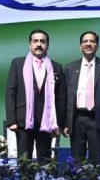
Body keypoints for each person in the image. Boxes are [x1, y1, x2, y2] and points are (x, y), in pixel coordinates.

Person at [5, 29, 66, 163]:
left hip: (47, 121)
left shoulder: (56, 67)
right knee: (24, 160)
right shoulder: (17, 63)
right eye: (35, 41)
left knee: (45, 161)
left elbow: (61, 98)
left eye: (42, 41)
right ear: (30, 45)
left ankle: (44, 178)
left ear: (47, 45)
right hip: (23, 121)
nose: (39, 44)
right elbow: (10, 92)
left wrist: (59, 124)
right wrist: (11, 120)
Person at [63, 31, 100, 165]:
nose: (88, 44)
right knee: (77, 161)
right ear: (80, 46)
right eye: (85, 41)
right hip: (77, 118)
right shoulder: (70, 68)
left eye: (92, 41)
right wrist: (66, 123)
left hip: (98, 119)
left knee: (97, 160)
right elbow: (66, 98)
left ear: (97, 46)